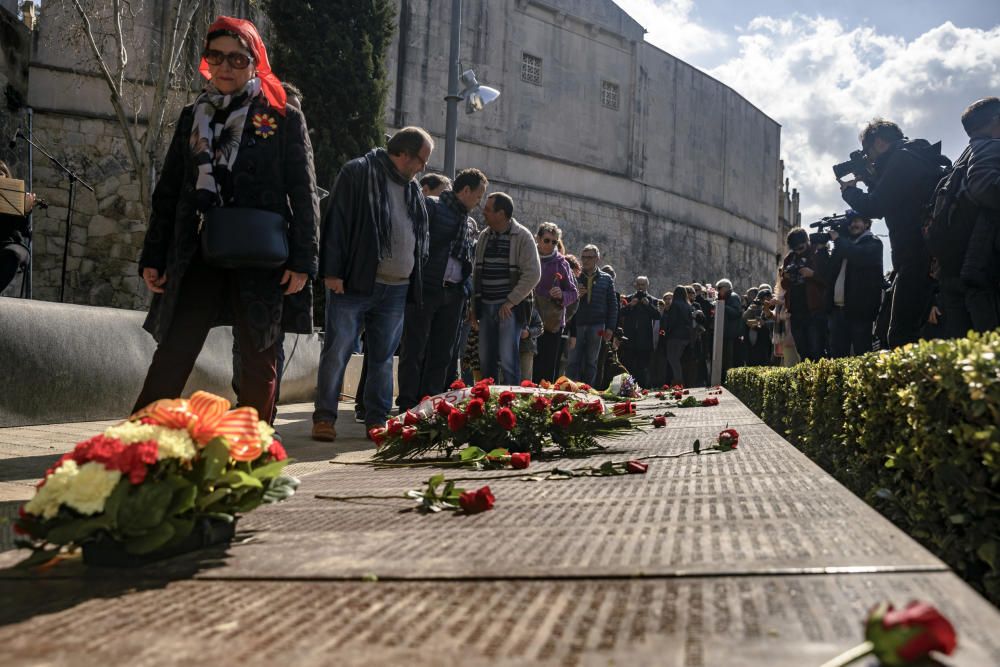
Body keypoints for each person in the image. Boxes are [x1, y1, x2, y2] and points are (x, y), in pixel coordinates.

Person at [133, 17, 317, 425]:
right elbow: (168, 192)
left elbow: (304, 193)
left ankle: (253, 452)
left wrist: (303, 260)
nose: (226, 66)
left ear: (255, 63)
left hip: (261, 255)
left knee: (258, 356)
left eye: (237, 58)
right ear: (206, 62)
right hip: (198, 250)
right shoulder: (191, 116)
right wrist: (154, 255)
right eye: (216, 56)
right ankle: (138, 444)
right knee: (174, 350)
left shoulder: (283, 116)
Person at [312, 126, 432, 441]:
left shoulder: (413, 189)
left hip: (397, 287)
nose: (422, 168)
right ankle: (324, 417)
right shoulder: (358, 172)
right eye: (421, 160)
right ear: (404, 153)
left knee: (382, 359)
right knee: (337, 351)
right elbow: (336, 222)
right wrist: (332, 272)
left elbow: (419, 237)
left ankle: (377, 420)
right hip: (354, 282)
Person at [840, 118, 951, 347]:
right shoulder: (916, 155)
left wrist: (849, 192)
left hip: (916, 254)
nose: (868, 158)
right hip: (925, 252)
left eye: (867, 151)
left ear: (879, 142)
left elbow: (876, 206)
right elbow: (895, 198)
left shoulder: (903, 158)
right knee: (901, 333)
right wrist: (873, 178)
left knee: (900, 336)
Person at [397, 167, 486, 410]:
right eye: (478, 196)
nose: (479, 203)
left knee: (442, 353)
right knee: (414, 348)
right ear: (465, 190)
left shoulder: (468, 223)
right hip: (427, 288)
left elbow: (466, 260)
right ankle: (407, 402)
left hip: (454, 293)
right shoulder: (433, 206)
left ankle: (431, 403)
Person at [929, 97, 1000, 337]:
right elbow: (984, 185)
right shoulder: (991, 147)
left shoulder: (962, 159)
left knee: (971, 360)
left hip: (956, 271)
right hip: (982, 270)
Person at [471, 192, 540, 383]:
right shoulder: (485, 236)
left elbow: (533, 273)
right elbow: (476, 275)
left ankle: (510, 405)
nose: (483, 212)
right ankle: (487, 405)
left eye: (488, 209)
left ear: (501, 214)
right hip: (485, 306)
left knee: (509, 361)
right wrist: (473, 309)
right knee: (486, 361)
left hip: (508, 310)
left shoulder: (523, 236)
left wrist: (510, 301)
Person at [826, 211, 883, 357]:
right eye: (850, 222)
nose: (853, 225)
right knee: (837, 357)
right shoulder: (844, 244)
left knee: (862, 355)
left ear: (867, 224)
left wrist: (839, 240)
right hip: (837, 310)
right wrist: (823, 248)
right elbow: (829, 270)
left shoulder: (874, 243)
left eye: (857, 221)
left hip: (860, 312)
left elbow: (858, 256)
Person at [531, 222, 578, 382]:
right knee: (527, 364)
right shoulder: (528, 256)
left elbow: (573, 293)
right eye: (546, 240)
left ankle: (543, 402)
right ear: (538, 238)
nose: (550, 245)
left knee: (547, 367)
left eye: (554, 242)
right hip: (527, 319)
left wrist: (561, 295)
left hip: (552, 322)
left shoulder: (562, 263)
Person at [566, 245, 618, 386]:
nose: (586, 260)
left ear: (597, 259)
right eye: (583, 257)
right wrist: (576, 294)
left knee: (591, 361)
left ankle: (589, 391)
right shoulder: (574, 276)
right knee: (572, 361)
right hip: (577, 324)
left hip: (597, 325)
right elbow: (567, 300)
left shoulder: (606, 279)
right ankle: (569, 390)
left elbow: (613, 305)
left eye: (589, 257)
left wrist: (610, 328)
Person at [779, 228, 827, 361]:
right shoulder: (789, 258)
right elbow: (784, 286)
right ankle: (806, 379)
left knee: (817, 350)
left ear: (807, 241)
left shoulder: (817, 253)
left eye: (801, 247)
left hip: (814, 309)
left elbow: (828, 279)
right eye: (795, 248)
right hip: (796, 310)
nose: (798, 251)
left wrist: (812, 274)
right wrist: (787, 277)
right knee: (802, 350)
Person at [618, 276, 661, 387]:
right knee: (629, 365)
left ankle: (643, 387)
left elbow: (657, 315)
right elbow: (620, 313)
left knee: (643, 366)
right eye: (639, 284)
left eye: (643, 284)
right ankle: (628, 387)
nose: (641, 287)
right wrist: (630, 305)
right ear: (635, 285)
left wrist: (648, 305)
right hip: (630, 338)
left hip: (645, 339)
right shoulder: (628, 299)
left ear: (647, 285)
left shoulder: (652, 300)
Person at [0, 160, 36, 292]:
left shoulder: (15, 197)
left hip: (11, 244)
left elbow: (25, 231)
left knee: (12, 254)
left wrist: (25, 211)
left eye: (1, 173)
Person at [661, 285, 693, 385]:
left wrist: (667, 331)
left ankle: (678, 381)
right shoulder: (687, 305)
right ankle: (678, 380)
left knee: (672, 359)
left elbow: (672, 321)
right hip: (685, 336)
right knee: (676, 359)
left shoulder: (675, 305)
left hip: (675, 336)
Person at [715, 279, 742, 381]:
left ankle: (728, 380)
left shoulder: (733, 297)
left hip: (731, 333)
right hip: (724, 333)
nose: (718, 291)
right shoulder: (724, 298)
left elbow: (737, 312)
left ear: (726, 288)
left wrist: (723, 306)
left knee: (729, 358)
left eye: (720, 289)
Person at [519, 307, 544, 382]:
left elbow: (540, 327)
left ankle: (525, 393)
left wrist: (529, 332)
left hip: (527, 349)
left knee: (525, 378)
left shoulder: (532, 310)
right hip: (510, 348)